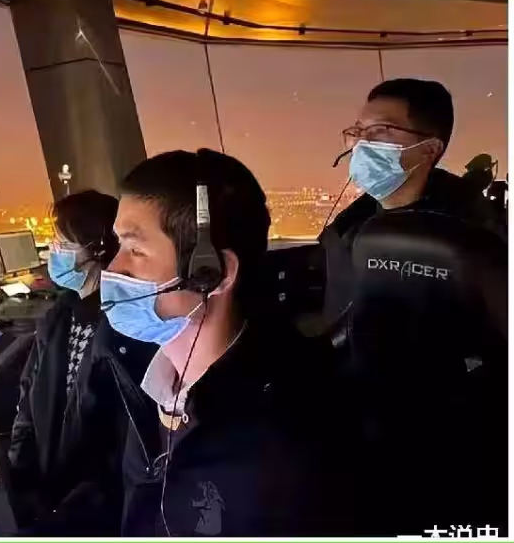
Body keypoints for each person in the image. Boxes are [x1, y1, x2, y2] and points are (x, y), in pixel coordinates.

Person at [100, 149, 354, 536]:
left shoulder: (290, 437)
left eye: (135, 250)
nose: (113, 268)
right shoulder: (143, 380)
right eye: (119, 247)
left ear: (213, 272)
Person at [320, 78, 505, 324]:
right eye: (358, 131)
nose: (361, 145)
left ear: (430, 149)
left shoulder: (480, 236)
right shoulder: (346, 228)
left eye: (381, 130)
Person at [7, 189, 122, 533]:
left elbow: (115, 446)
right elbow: (28, 401)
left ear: (99, 250)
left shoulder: (121, 330)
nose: (53, 251)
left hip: (91, 511)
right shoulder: (58, 316)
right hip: (45, 488)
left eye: (63, 244)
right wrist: (20, 474)